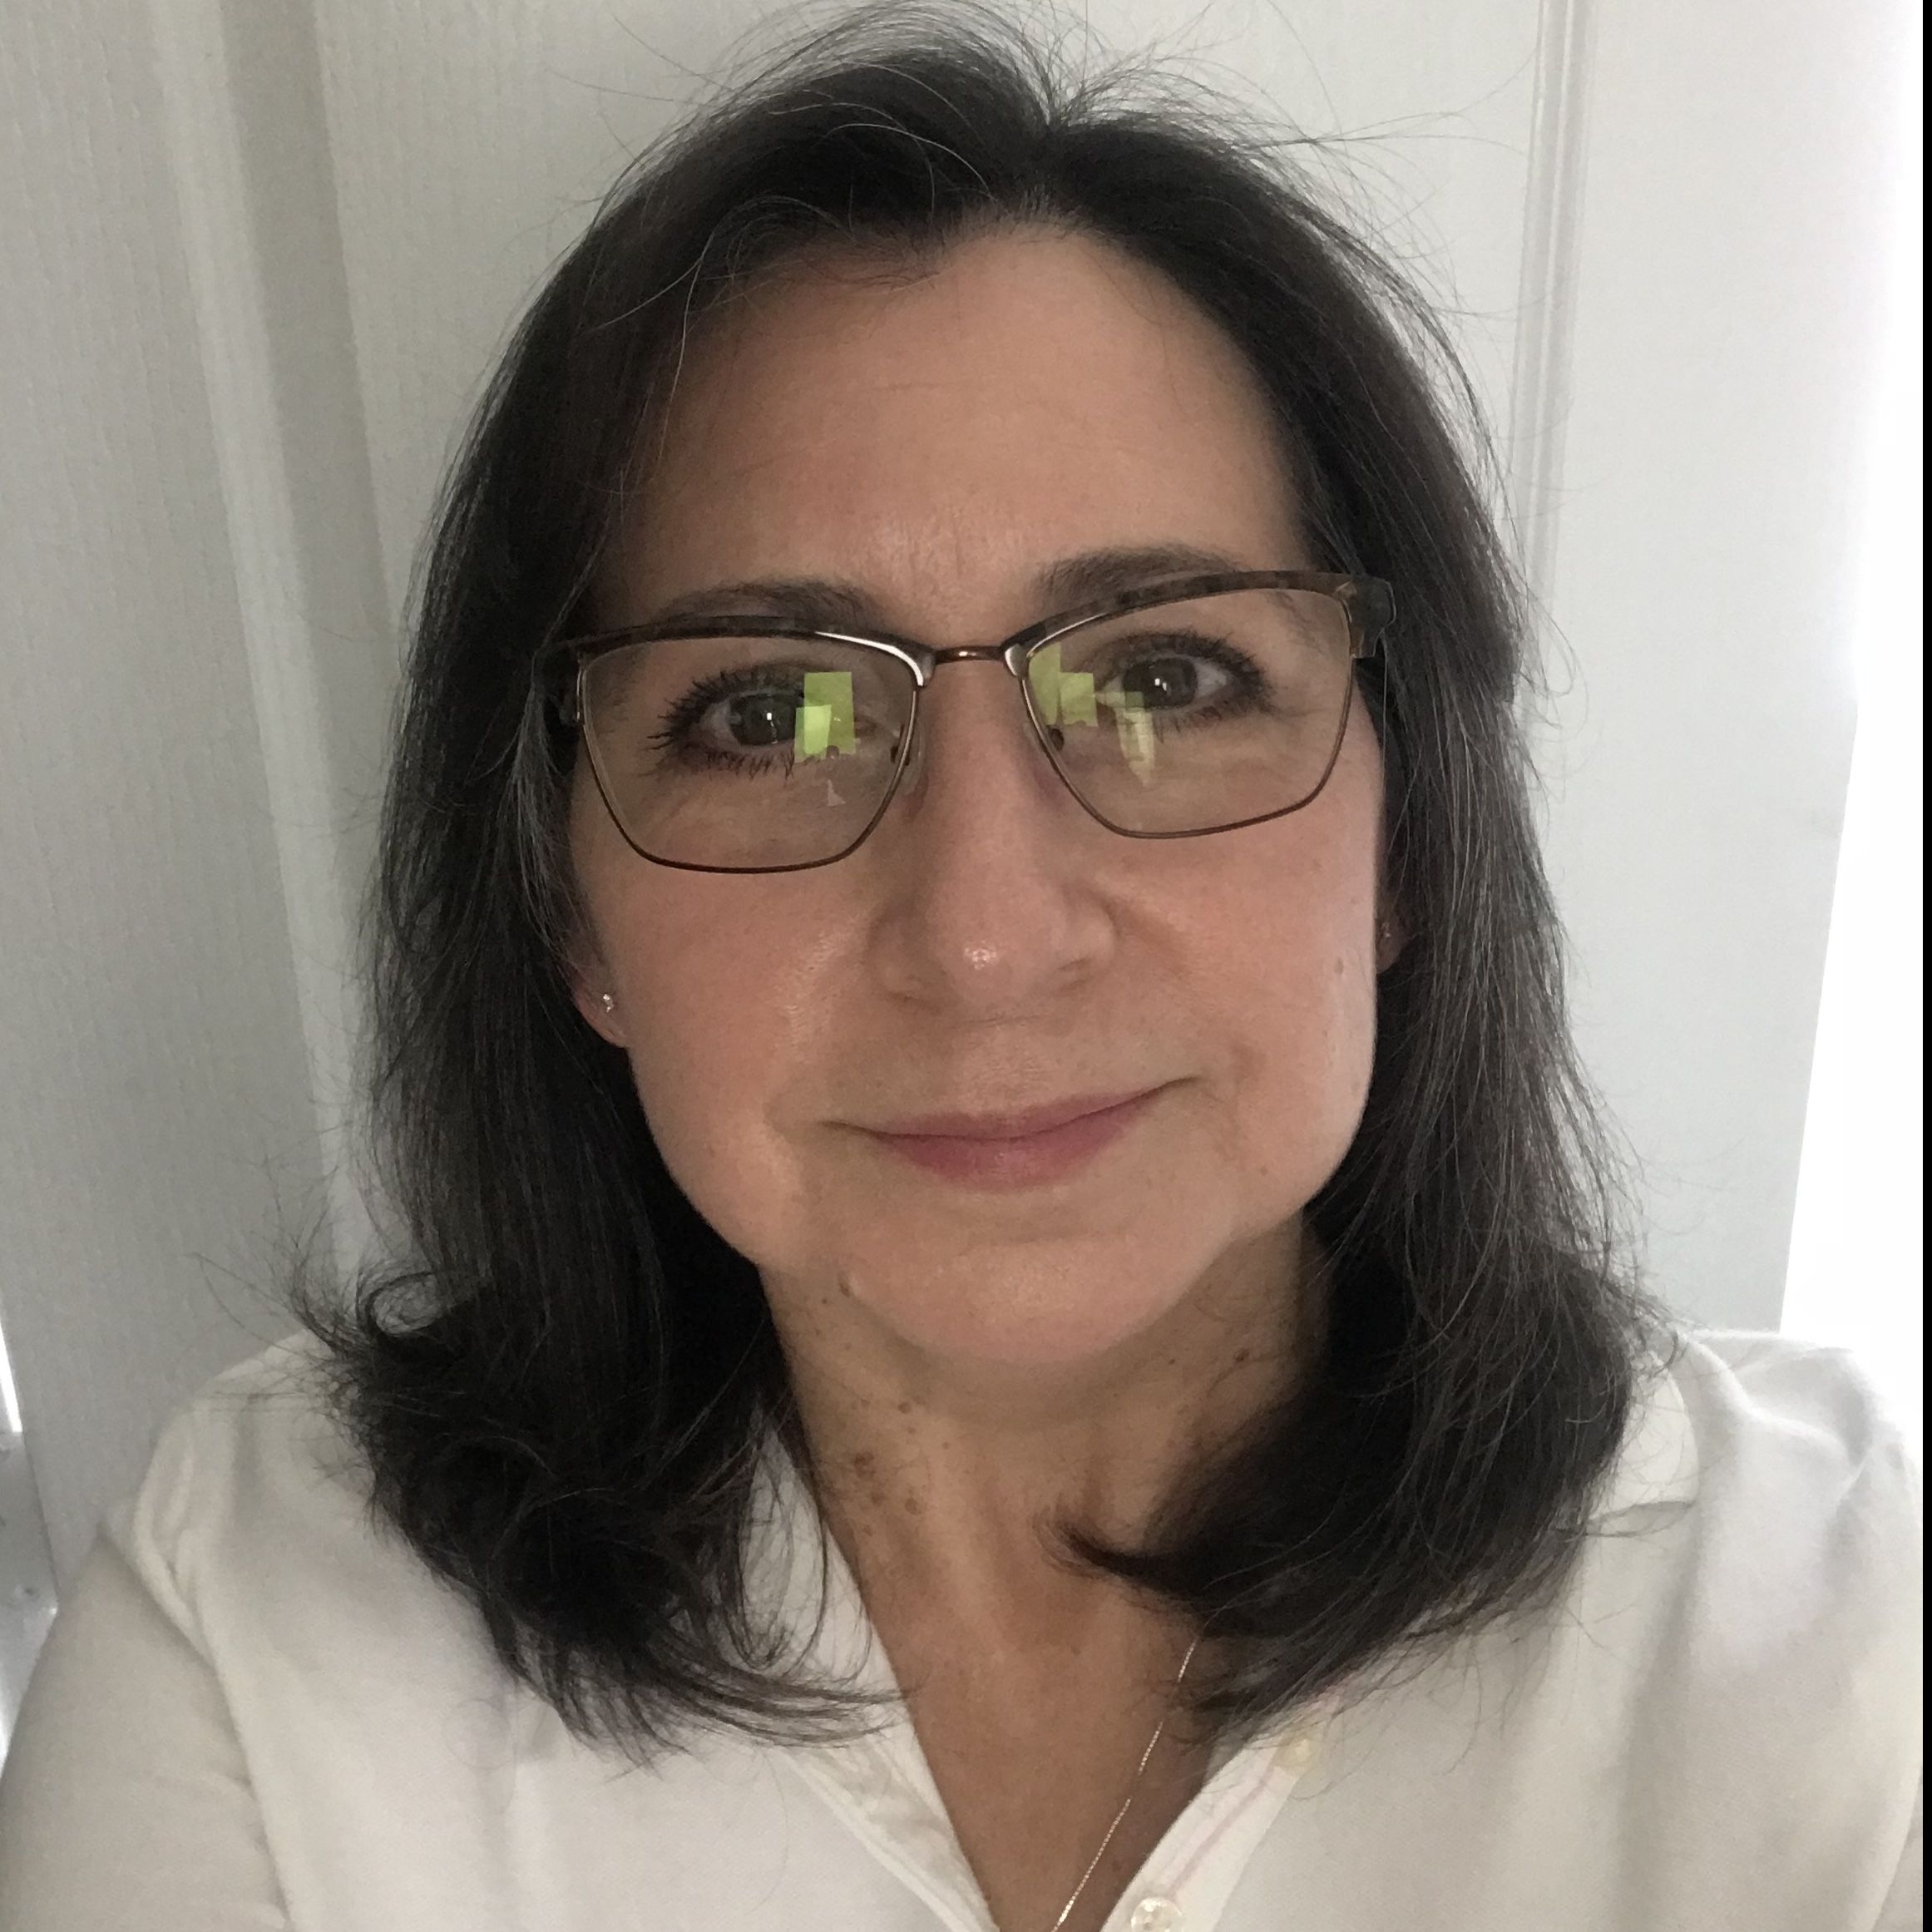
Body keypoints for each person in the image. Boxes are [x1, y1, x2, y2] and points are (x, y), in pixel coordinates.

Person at [0, 10, 1919, 1930]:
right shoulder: (262, 1624)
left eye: (1167, 674)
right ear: (569, 912)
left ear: (1406, 837)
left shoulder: (1841, 1639)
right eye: (767, 714)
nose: (988, 934)